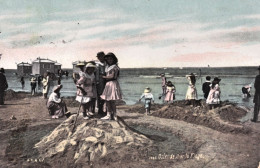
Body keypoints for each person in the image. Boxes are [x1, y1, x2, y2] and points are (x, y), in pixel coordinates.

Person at [100, 52, 122, 120]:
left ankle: (114, 114)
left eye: (111, 59)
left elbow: (112, 76)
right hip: (108, 84)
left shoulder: (114, 67)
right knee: (107, 100)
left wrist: (103, 77)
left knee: (112, 100)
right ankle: (109, 114)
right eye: (108, 59)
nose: (109, 60)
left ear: (114, 59)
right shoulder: (108, 67)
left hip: (112, 83)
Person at [95, 51, 107, 116]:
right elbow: (97, 74)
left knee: (106, 94)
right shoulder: (97, 64)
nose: (100, 58)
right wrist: (97, 81)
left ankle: (105, 109)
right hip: (100, 80)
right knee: (100, 95)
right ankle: (100, 110)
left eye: (101, 57)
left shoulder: (106, 63)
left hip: (106, 79)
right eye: (99, 57)